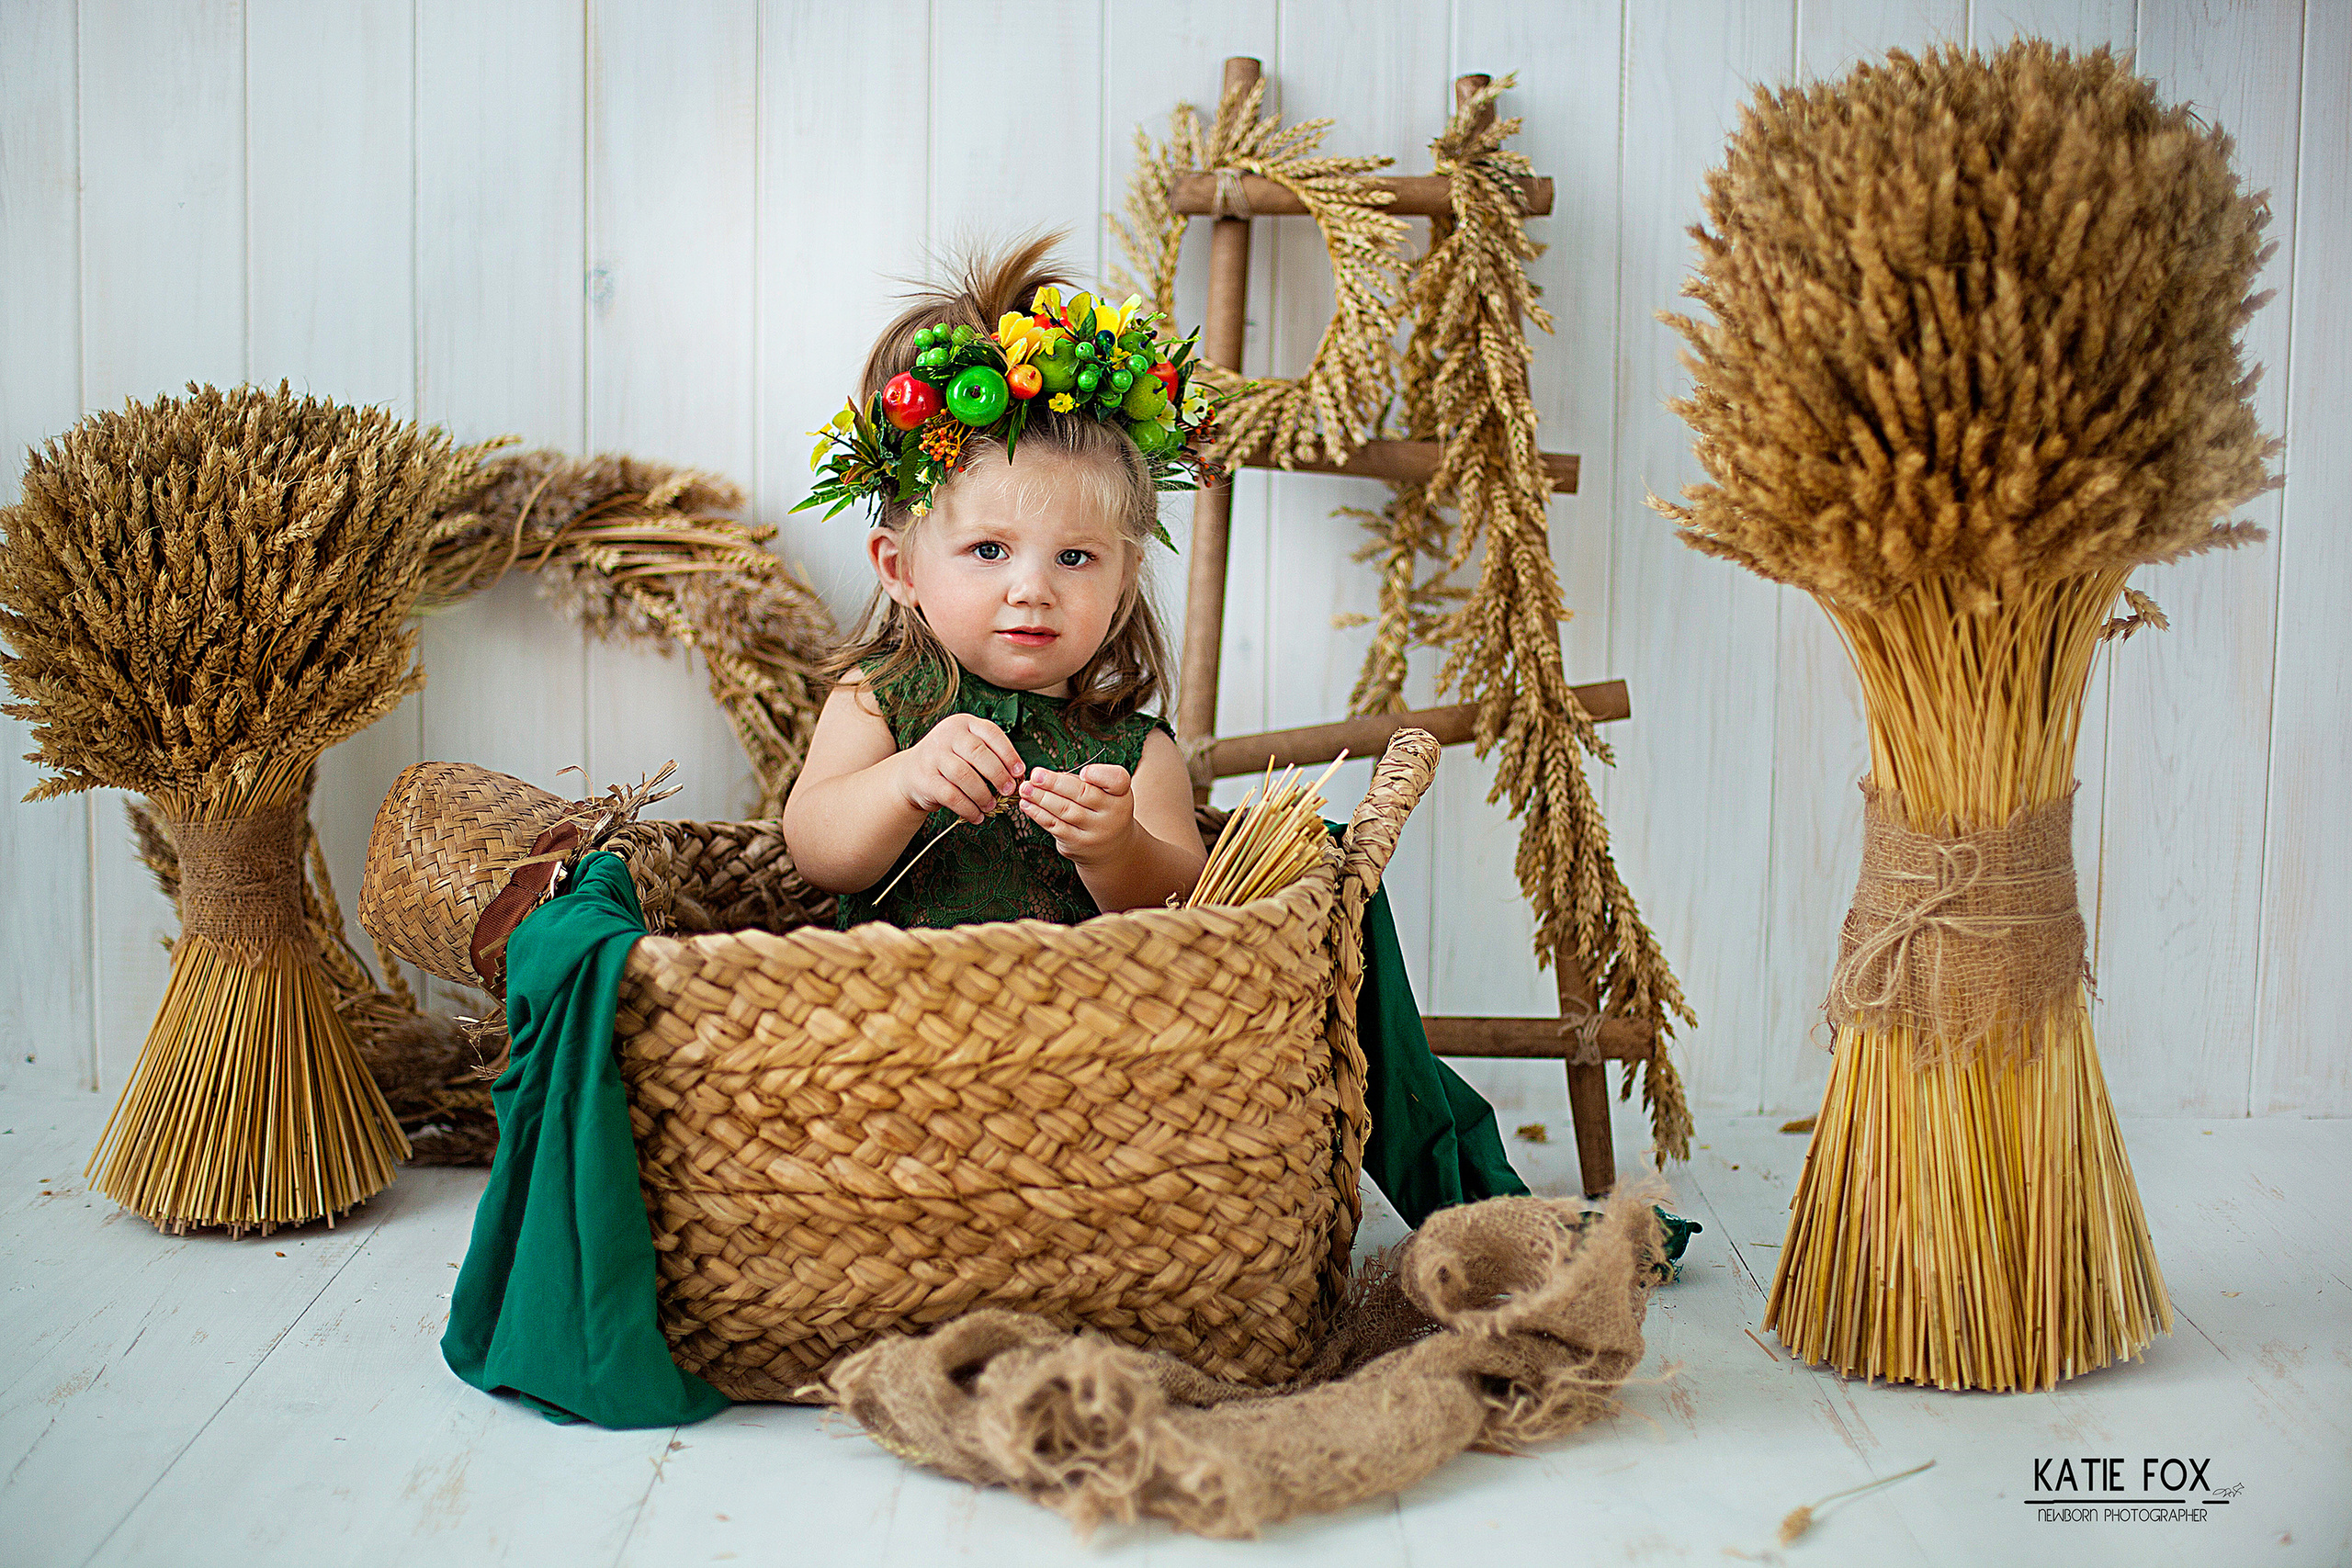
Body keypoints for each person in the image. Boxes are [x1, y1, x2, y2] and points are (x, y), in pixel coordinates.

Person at [784, 238, 1211, 927]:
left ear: (1127, 576)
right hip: (894, 1019)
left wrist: (1119, 847)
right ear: (901, 568)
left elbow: (1189, 907)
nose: (1032, 589)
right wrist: (905, 780)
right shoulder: (879, 703)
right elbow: (815, 850)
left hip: (1078, 1027)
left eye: (1074, 558)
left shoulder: (1137, 752)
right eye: (989, 549)